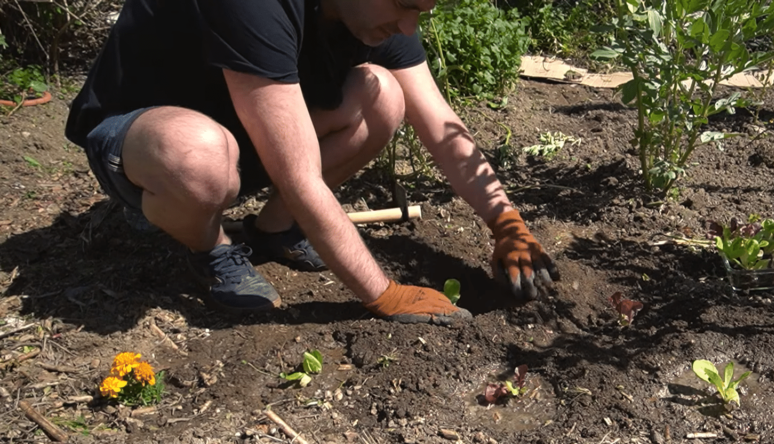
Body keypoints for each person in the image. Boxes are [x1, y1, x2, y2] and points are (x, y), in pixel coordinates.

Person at [64, 0, 559, 324]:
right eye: (404, 5)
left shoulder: (373, 13)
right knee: (198, 154)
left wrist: (507, 222)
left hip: (242, 134)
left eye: (421, 11)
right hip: (142, 144)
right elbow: (299, 175)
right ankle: (210, 249)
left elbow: (441, 125)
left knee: (383, 95)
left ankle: (274, 232)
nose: (409, 26)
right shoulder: (256, 5)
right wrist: (383, 294)